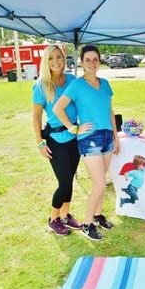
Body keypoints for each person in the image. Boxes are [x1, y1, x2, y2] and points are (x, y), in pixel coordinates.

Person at [53, 45, 120, 241]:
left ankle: (98, 216)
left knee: (102, 181)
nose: (92, 62)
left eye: (95, 59)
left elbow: (109, 111)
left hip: (107, 136)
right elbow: (58, 108)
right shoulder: (77, 85)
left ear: (100, 61)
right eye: (88, 59)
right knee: (99, 185)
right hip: (89, 139)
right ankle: (87, 223)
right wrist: (73, 128)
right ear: (82, 62)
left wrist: (116, 136)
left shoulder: (105, 83)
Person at [32, 45, 84, 236]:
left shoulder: (71, 80)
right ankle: (53, 220)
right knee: (63, 183)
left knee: (69, 180)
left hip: (74, 138)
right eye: (51, 58)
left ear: (64, 59)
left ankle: (65, 215)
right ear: (46, 61)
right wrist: (40, 143)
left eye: (59, 57)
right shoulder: (41, 86)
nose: (56, 61)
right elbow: (36, 117)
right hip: (55, 140)